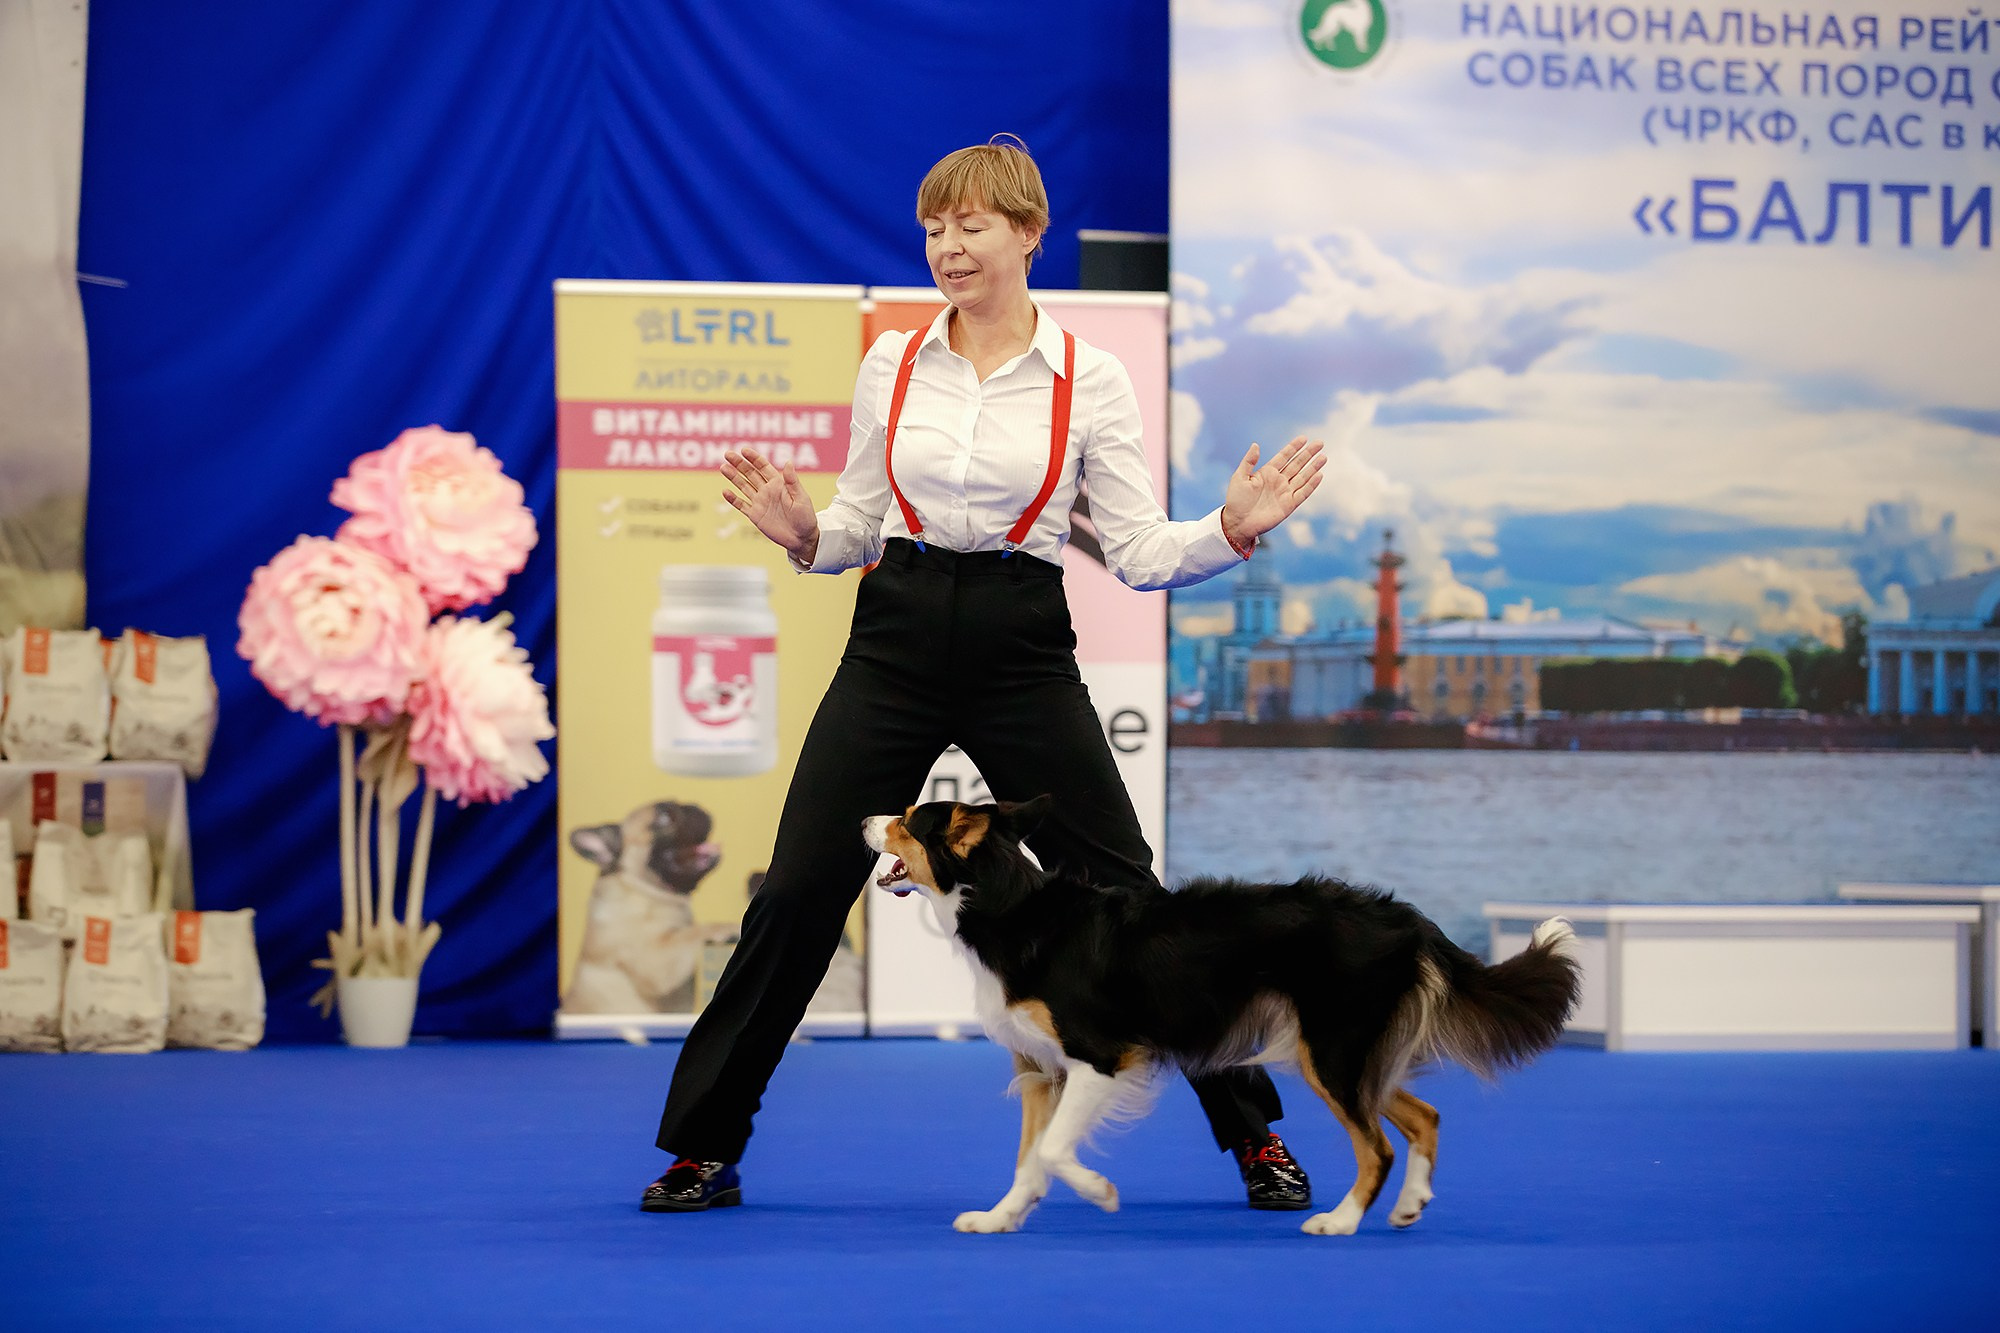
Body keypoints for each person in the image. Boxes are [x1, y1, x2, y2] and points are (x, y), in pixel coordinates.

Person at [643, 138, 1327, 1214]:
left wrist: (1229, 533)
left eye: (970, 225)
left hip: (1019, 638)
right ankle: (702, 1146)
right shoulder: (892, 364)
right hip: (896, 634)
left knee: (1128, 894)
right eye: (932, 227)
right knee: (795, 892)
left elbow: (1139, 551)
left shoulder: (1089, 377)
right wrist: (798, 532)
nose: (947, 247)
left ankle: (1253, 1142)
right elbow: (854, 527)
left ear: (1025, 235)